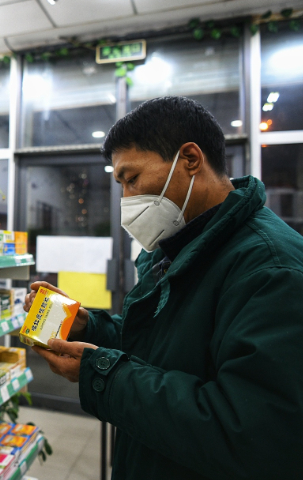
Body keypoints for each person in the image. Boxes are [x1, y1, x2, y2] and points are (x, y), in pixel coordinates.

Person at [25, 96, 303, 479]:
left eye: (132, 178)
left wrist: (105, 375)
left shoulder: (272, 269)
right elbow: (163, 349)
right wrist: (92, 329)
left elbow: (249, 433)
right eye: (120, 183)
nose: (126, 199)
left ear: (190, 159)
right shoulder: (175, 248)